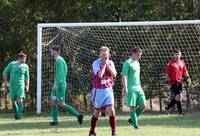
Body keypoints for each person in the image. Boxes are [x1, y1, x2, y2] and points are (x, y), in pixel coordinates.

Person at [49, 45, 83, 126]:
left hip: (60, 85)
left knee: (61, 104)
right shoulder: (59, 60)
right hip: (57, 84)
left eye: (51, 51)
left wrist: (57, 84)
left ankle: (79, 115)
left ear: (55, 51)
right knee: (52, 101)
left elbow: (61, 73)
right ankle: (55, 121)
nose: (51, 53)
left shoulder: (59, 60)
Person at [89, 46, 117, 136]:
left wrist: (107, 64)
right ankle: (92, 131)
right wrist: (104, 64)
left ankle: (114, 132)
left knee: (111, 110)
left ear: (108, 54)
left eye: (106, 54)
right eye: (103, 54)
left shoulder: (111, 62)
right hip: (99, 91)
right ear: (100, 54)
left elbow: (114, 74)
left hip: (108, 90)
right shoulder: (95, 63)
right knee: (97, 112)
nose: (104, 55)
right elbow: (100, 75)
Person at [121, 47, 146, 129]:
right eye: (138, 55)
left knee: (143, 105)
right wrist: (125, 87)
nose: (139, 56)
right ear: (133, 54)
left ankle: (132, 119)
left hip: (138, 87)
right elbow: (124, 76)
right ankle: (136, 125)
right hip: (130, 87)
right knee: (133, 107)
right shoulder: (127, 63)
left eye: (140, 55)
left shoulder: (137, 62)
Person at [3, 52, 29, 120]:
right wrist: (6, 82)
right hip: (12, 85)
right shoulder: (12, 64)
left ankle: (19, 116)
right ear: (20, 58)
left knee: (20, 99)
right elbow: (5, 73)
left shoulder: (25, 66)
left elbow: (27, 77)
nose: (25, 60)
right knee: (13, 101)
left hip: (20, 85)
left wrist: (27, 85)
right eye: (24, 59)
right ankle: (16, 113)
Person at [164, 49, 191, 115]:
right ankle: (180, 113)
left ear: (180, 55)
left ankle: (167, 108)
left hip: (180, 82)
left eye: (178, 54)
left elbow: (185, 71)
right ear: (173, 55)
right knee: (179, 96)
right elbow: (167, 74)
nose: (177, 55)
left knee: (178, 98)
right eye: (176, 54)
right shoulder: (170, 63)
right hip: (173, 82)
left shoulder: (182, 62)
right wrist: (167, 83)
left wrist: (188, 78)